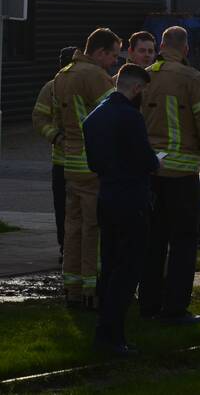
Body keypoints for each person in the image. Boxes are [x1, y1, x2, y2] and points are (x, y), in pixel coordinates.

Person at [139, 26, 200, 324]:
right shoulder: (192, 78)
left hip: (150, 173)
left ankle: (147, 305)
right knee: (184, 242)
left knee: (153, 241)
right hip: (183, 173)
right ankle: (174, 309)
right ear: (185, 49)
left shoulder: (145, 76)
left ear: (161, 45)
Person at [84, 64, 160, 356]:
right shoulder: (131, 117)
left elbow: (94, 164)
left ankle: (104, 329)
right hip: (132, 199)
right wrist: (155, 162)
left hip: (107, 196)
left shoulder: (95, 117)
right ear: (137, 88)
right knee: (127, 270)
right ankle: (112, 335)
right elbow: (145, 159)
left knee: (110, 263)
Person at [54, 29, 120, 309]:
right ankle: (93, 291)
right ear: (100, 52)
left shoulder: (63, 75)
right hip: (94, 164)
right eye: (114, 55)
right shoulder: (95, 76)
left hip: (71, 162)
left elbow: (56, 118)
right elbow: (114, 115)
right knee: (93, 229)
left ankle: (72, 288)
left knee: (73, 228)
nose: (115, 62)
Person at [31, 46, 77, 260]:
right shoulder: (51, 88)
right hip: (62, 161)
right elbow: (39, 118)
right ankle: (65, 247)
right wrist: (56, 137)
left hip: (85, 161)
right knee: (63, 208)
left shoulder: (87, 83)